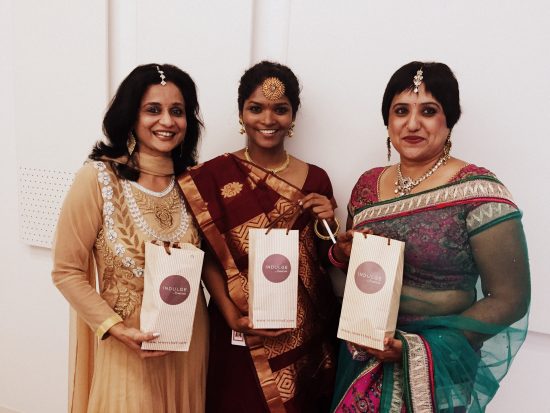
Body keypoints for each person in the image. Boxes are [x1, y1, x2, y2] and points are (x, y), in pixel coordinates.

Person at [329, 61, 530, 412]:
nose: (412, 124)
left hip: (438, 365)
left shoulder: (478, 190)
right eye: (401, 111)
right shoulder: (366, 187)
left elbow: (510, 299)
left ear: (448, 120)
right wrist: (343, 255)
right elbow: (360, 279)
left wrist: (415, 350)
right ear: (387, 120)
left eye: (428, 111)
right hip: (363, 354)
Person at [178, 61, 339, 412]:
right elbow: (206, 257)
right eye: (256, 108)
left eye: (280, 109)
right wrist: (231, 315)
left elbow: (327, 260)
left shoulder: (316, 180)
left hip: (302, 332)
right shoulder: (211, 177)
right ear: (241, 113)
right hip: (237, 325)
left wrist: (327, 222)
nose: (268, 119)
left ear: (292, 116)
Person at [52, 63, 208, 413]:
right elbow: (66, 271)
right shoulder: (98, 179)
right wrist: (117, 329)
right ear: (130, 116)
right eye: (153, 109)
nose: (167, 121)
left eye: (177, 111)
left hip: (188, 344)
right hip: (126, 345)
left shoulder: (195, 184)